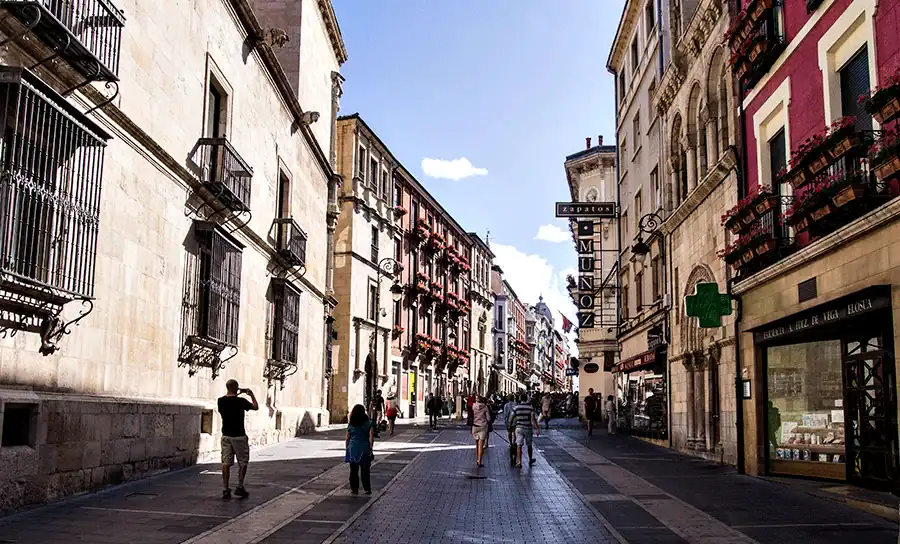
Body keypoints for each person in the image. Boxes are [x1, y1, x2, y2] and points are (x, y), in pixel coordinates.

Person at [218, 379, 258, 500]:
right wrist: (251, 395)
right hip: (239, 436)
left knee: (226, 462)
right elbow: (255, 407)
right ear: (236, 388)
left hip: (226, 435)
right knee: (243, 462)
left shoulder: (221, 401)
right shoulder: (241, 401)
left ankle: (225, 488)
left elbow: (229, 401)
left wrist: (236, 392)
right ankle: (240, 487)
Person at [345, 404, 375, 495]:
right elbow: (371, 437)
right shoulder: (368, 423)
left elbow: (347, 437)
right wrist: (371, 448)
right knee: (365, 470)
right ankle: (367, 489)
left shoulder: (351, 424)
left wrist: (347, 447)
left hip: (353, 447)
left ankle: (354, 489)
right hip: (364, 447)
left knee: (353, 470)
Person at [512, 393, 540, 468]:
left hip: (519, 428)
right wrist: (537, 428)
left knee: (519, 445)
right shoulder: (530, 408)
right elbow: (533, 420)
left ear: (520, 399)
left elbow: (511, 417)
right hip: (528, 428)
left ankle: (519, 462)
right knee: (529, 445)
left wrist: (511, 425)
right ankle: (530, 459)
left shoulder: (516, 408)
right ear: (526, 399)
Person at [471, 395, 491, 467]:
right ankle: (479, 461)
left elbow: (471, 415)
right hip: (483, 426)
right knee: (481, 444)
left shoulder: (473, 406)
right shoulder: (485, 407)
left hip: (475, 426)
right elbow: (488, 418)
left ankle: (477, 459)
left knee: (476, 443)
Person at [503, 394, 519, 466]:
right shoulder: (517, 404)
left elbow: (505, 414)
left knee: (509, 432)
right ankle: (514, 442)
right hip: (516, 420)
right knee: (515, 432)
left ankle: (510, 443)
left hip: (509, 421)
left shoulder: (506, 405)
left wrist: (506, 420)